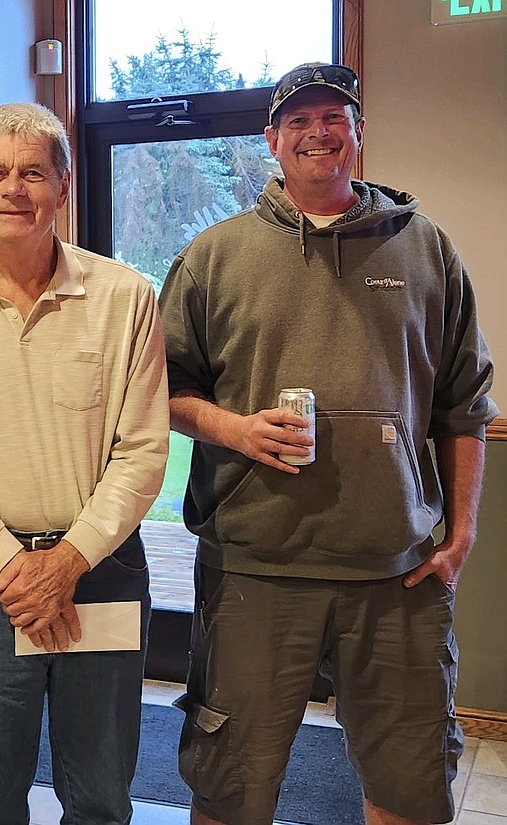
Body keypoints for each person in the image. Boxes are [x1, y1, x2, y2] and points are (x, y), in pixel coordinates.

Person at [159, 62, 498, 825]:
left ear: (358, 134)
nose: (320, 132)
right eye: (301, 121)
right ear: (272, 140)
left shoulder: (427, 250)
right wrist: (235, 428)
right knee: (229, 788)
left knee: (411, 784)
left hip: (397, 578)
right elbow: (162, 392)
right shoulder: (213, 258)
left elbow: (465, 403)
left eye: (334, 117)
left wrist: (464, 533)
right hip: (254, 570)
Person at [0, 103, 169, 825]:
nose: (12, 188)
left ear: (64, 187)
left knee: (102, 791)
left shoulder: (125, 297)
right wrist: (16, 567)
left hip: (101, 572)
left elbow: (142, 450)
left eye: (33, 172)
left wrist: (68, 560)